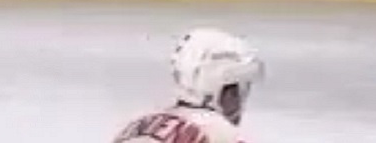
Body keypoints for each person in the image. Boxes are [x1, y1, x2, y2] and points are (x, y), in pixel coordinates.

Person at [112, 28, 265, 143]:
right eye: (235, 90)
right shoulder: (221, 133)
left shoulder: (134, 125)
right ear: (221, 89)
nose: (238, 100)